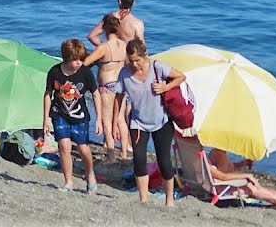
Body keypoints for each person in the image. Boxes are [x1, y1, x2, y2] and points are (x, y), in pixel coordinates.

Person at [110, 37, 186, 206]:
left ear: (145, 56)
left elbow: (181, 76)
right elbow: (118, 97)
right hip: (138, 122)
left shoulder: (157, 67)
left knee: (164, 160)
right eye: (131, 60)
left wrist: (165, 87)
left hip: (162, 121)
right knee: (138, 158)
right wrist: (116, 121)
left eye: (137, 60)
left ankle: (169, 199)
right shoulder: (125, 73)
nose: (134, 64)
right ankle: (143, 199)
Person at [43, 39, 99, 194]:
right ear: (67, 58)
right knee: (64, 146)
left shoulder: (85, 72)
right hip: (59, 113)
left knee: (83, 148)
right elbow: (48, 94)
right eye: (76, 60)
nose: (79, 63)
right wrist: (45, 119)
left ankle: (89, 173)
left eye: (81, 59)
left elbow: (95, 94)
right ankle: (68, 182)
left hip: (80, 115)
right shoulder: (55, 72)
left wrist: (99, 118)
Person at [82, 13, 130, 162]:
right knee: (121, 119)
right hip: (121, 84)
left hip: (107, 86)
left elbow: (85, 63)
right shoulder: (125, 45)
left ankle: (110, 155)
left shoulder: (103, 47)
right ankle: (123, 152)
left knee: (106, 121)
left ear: (105, 29)